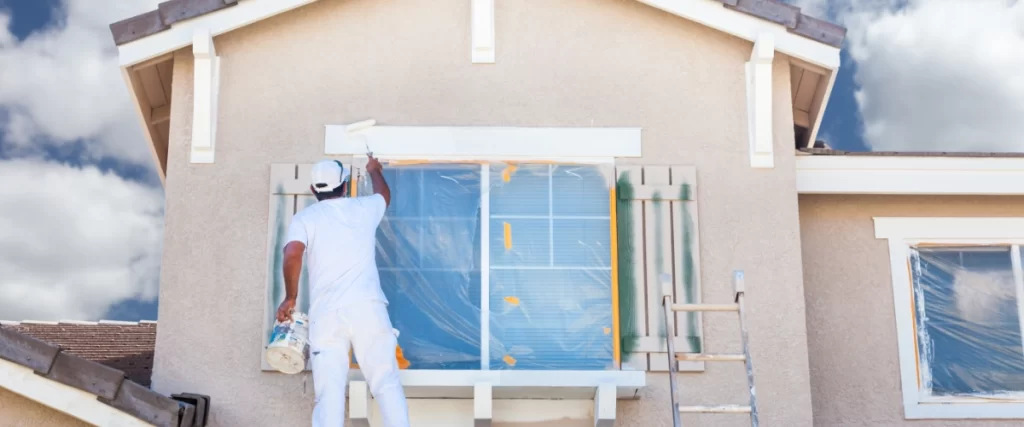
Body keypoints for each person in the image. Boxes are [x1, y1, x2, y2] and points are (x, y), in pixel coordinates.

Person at [275, 156, 409, 427]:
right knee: (386, 383)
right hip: (367, 309)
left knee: (329, 394)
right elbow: (383, 194)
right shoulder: (363, 208)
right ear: (345, 186)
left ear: (313, 190)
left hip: (327, 317)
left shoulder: (305, 218)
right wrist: (374, 170)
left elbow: (292, 254)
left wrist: (290, 297)